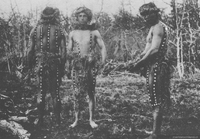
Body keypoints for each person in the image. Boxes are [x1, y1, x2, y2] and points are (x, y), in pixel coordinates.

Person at [130, 2, 171, 139]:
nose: (145, 17)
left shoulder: (158, 27)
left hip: (157, 66)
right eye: (144, 15)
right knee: (154, 98)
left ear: (156, 13)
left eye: (148, 14)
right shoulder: (153, 27)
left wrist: (140, 63)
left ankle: (155, 134)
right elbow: (147, 49)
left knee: (156, 99)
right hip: (153, 66)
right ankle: (155, 130)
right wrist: (137, 60)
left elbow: (154, 50)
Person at [27, 7, 66, 126]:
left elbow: (29, 51)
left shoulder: (35, 30)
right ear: (55, 16)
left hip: (40, 63)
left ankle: (40, 120)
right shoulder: (60, 30)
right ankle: (58, 121)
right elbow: (63, 51)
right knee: (55, 93)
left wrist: (30, 67)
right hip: (55, 63)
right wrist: (62, 66)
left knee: (41, 91)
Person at [68, 6, 106, 128]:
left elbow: (102, 47)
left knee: (91, 92)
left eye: (85, 16)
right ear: (77, 18)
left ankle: (91, 119)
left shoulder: (94, 32)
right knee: (77, 93)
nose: (82, 18)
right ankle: (76, 120)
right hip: (77, 67)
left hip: (90, 67)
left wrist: (102, 61)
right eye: (80, 16)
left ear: (88, 18)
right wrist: (69, 63)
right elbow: (69, 50)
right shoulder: (72, 33)